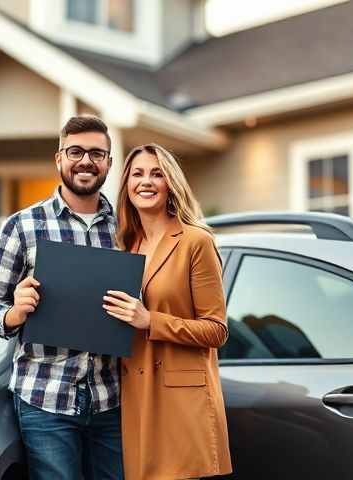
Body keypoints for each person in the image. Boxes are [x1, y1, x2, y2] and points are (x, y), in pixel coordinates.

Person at [0, 115, 123, 480]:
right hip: (45, 399)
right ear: (59, 159)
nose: (86, 161)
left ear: (108, 162)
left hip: (113, 400)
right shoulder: (22, 226)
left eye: (96, 153)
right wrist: (15, 312)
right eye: (75, 151)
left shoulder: (127, 229)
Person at [103, 143, 232, 480]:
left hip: (180, 401)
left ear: (170, 183)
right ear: (126, 185)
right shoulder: (126, 246)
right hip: (134, 399)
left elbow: (216, 330)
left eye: (156, 173)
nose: (146, 182)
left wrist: (150, 320)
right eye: (138, 174)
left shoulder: (195, 241)